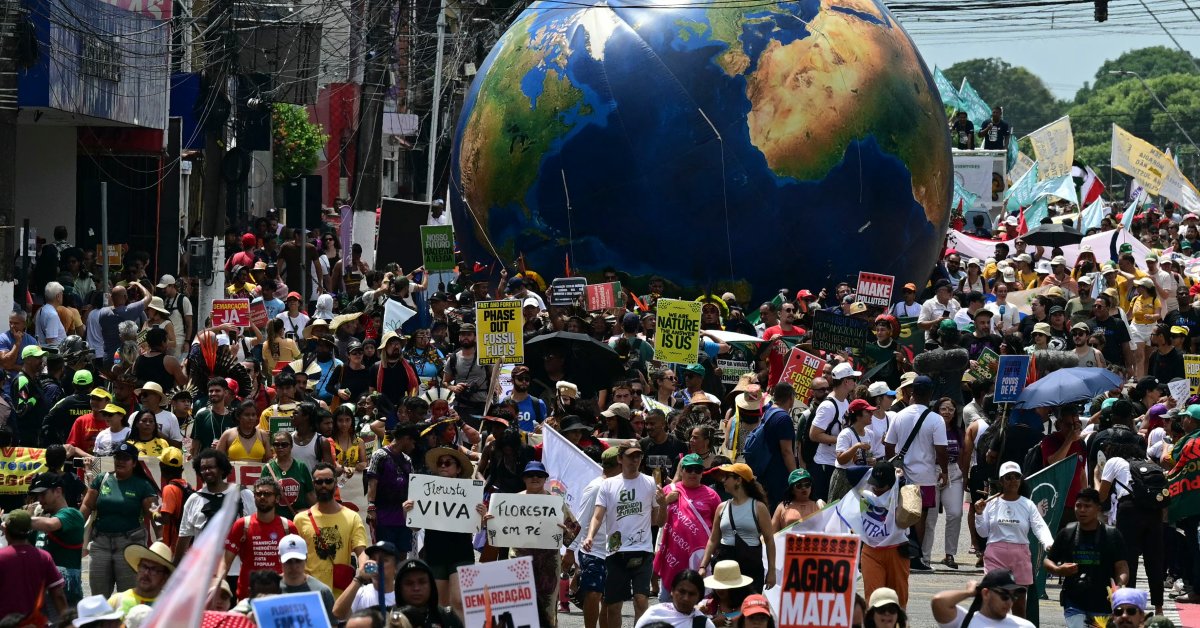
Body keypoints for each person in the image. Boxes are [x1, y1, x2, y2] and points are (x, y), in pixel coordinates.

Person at [582, 442, 665, 625]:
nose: (635, 460)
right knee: (613, 606)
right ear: (620, 459)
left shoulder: (650, 482)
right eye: (630, 456)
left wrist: (663, 505)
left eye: (638, 456)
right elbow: (597, 516)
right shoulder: (608, 485)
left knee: (641, 600)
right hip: (616, 551)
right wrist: (590, 536)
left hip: (642, 550)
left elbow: (658, 522)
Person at [405, 446, 483, 619]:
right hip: (435, 552)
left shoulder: (470, 492)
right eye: (440, 463)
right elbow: (414, 528)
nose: (443, 466)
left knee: (460, 602)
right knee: (439, 605)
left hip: (461, 552)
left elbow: (477, 526)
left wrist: (482, 516)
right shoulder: (425, 490)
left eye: (448, 463)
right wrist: (408, 512)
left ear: (458, 469)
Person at [973, 461, 1055, 618]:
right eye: (1008, 477)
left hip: (1020, 555)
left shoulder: (1028, 504)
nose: (1013, 480)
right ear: (1001, 481)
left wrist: (1048, 543)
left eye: (1016, 476)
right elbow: (983, 533)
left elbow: (1039, 526)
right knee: (994, 600)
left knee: (1019, 606)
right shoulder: (991, 503)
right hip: (995, 554)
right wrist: (979, 514)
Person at [1098, 428, 1166, 614]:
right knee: (1154, 560)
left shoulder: (1114, 461)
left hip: (1129, 510)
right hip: (1154, 512)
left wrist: (1097, 476)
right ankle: (1159, 609)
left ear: (1113, 446)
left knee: (1128, 559)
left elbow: (1101, 496)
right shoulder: (1147, 461)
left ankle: (1129, 607)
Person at [883, 375, 946, 571]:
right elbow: (941, 449)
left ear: (912, 392)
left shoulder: (899, 415)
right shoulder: (936, 419)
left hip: (901, 475)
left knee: (901, 514)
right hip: (925, 475)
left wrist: (895, 466)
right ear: (930, 394)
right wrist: (944, 471)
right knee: (920, 516)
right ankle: (916, 557)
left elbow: (889, 445)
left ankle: (899, 554)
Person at [1045, 487, 1130, 627]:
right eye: (1078, 506)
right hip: (1073, 602)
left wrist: (1119, 587)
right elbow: (1048, 560)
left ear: (1098, 509)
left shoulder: (1112, 535)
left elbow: (1122, 567)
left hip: (1103, 605)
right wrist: (1058, 570)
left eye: (1087, 506)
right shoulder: (1067, 532)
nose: (1082, 510)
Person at [81, 442, 157, 597]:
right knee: (98, 597)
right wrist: (74, 527)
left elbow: (154, 516)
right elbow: (87, 506)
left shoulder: (143, 485)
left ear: (134, 463)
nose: (120, 461)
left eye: (125, 458)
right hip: (100, 544)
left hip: (130, 545)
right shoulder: (101, 479)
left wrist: (160, 542)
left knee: (128, 597)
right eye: (118, 457)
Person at [699, 463, 776, 592]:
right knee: (725, 602)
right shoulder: (721, 507)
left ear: (738, 480)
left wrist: (772, 571)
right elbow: (713, 540)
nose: (723, 480)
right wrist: (703, 566)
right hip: (725, 564)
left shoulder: (758, 507)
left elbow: (769, 540)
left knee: (748, 602)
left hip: (750, 566)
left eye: (727, 477)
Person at [294, 462, 369, 596]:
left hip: (340, 595)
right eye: (319, 482)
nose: (324, 485)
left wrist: (365, 567)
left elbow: (361, 551)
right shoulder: (300, 519)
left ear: (335, 483)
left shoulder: (352, 517)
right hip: (310, 594)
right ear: (313, 484)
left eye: (328, 481)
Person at [218, 477, 297, 600]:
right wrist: (217, 587)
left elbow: (297, 565)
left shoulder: (288, 527)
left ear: (277, 498)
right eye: (258, 494)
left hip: (279, 598)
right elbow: (225, 563)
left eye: (267, 494)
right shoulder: (242, 525)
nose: (262, 497)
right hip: (247, 598)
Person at [655, 452, 721, 601]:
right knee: (666, 602)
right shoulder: (669, 490)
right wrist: (664, 504)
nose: (693, 473)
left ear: (702, 473)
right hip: (672, 556)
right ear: (682, 470)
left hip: (699, 558)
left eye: (698, 470)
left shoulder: (712, 495)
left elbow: (717, 528)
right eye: (689, 469)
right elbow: (659, 523)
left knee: (699, 603)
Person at [570, 446, 622, 628]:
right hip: (593, 550)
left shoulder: (622, 486)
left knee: (609, 599)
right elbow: (581, 520)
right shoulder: (595, 488)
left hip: (615, 550)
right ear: (619, 465)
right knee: (594, 593)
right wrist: (570, 550)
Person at [175, 449, 255, 564]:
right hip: (204, 568)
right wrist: (175, 567)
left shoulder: (244, 494)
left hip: (238, 568)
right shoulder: (194, 500)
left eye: (211, 467)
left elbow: (256, 530)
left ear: (222, 469)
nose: (207, 471)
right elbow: (184, 537)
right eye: (203, 468)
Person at [0, 509, 68, 622]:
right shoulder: (44, 557)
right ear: (30, 530)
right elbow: (58, 594)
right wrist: (68, 622)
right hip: (35, 623)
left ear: (6, 531)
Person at [30, 473, 86, 607]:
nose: (39, 500)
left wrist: (17, 519)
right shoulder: (41, 521)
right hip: (41, 592)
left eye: (43, 494)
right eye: (38, 496)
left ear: (58, 491)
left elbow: (51, 525)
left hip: (65, 595)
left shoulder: (72, 514)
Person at [925, 396, 967, 570]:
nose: (947, 412)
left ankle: (950, 554)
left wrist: (963, 475)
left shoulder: (958, 432)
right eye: (943, 409)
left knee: (956, 513)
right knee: (930, 518)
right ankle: (925, 557)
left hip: (953, 473)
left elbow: (963, 454)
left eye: (951, 409)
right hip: (932, 473)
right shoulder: (930, 428)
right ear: (937, 411)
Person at [366, 423, 419, 554]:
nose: (414, 446)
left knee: (402, 555)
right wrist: (371, 507)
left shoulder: (407, 460)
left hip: (403, 517)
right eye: (413, 442)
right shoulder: (379, 455)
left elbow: (413, 486)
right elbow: (372, 482)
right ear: (406, 438)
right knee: (384, 555)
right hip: (383, 516)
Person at [810, 362, 858, 501]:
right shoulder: (828, 406)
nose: (855, 382)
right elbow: (814, 435)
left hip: (837, 464)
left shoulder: (845, 401)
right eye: (853, 379)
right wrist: (842, 439)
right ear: (846, 381)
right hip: (825, 466)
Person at [931, 569, 1035, 628]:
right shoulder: (965, 620)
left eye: (1014, 597)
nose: (1009, 602)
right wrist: (969, 592)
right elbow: (939, 601)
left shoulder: (1024, 626)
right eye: (1004, 595)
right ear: (986, 593)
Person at [333, 541, 402, 619]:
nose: (376, 563)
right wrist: (359, 578)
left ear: (395, 567)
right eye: (373, 559)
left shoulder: (402, 594)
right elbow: (337, 613)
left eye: (383, 560)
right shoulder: (361, 592)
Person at [278, 534, 337, 624]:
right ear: (279, 559)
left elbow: (332, 624)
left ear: (306, 558)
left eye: (298, 560)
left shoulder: (322, 592)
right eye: (288, 561)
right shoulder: (269, 590)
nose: (294, 566)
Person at [391, 558, 464, 628]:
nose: (416, 588)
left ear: (431, 585)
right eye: (409, 583)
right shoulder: (389, 619)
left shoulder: (447, 618)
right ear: (399, 587)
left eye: (422, 582)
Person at [830, 398, 877, 502]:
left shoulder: (870, 434)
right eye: (868, 412)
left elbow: (871, 455)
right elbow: (840, 459)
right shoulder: (846, 434)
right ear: (858, 415)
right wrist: (856, 447)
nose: (872, 414)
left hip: (863, 477)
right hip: (845, 477)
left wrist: (873, 461)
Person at [634, 570, 716, 628]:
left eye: (691, 594)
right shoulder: (654, 613)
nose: (686, 598)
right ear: (672, 591)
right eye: (682, 592)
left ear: (699, 597)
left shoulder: (703, 624)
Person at [109, 542, 174, 614]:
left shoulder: (170, 608)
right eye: (144, 566)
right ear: (138, 567)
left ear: (165, 577)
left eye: (153, 569)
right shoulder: (116, 602)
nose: (146, 573)